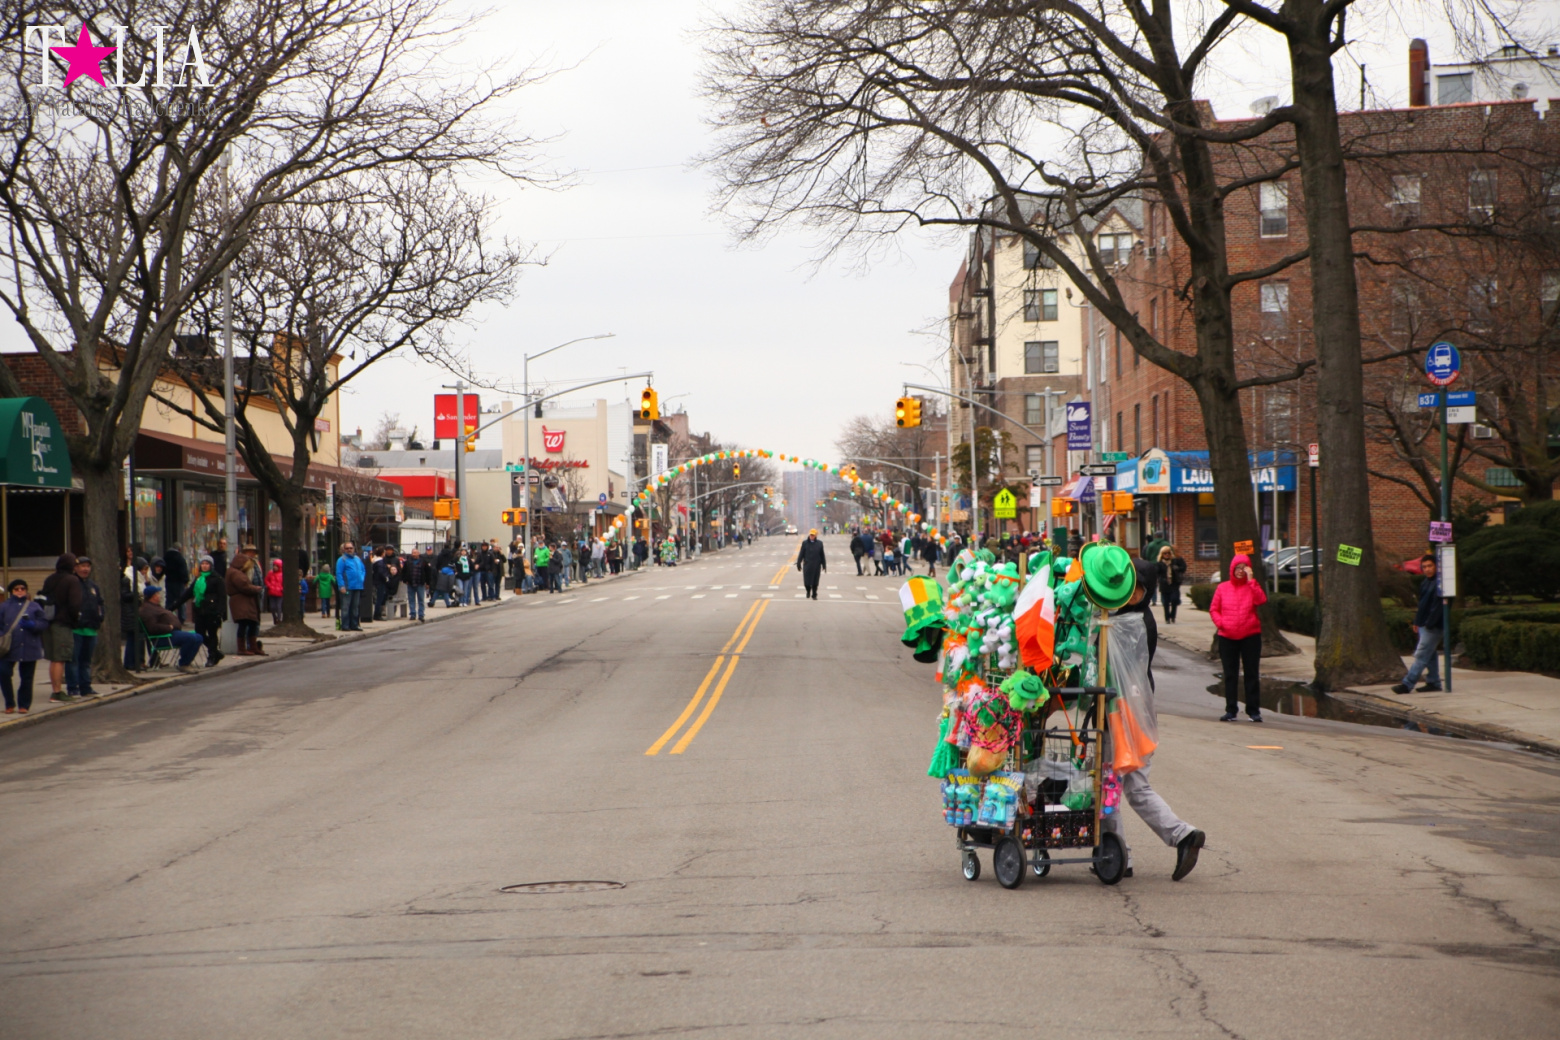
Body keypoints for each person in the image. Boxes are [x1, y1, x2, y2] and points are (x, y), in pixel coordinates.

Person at [1095, 552, 1206, 881]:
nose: (1125, 594)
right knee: (1134, 787)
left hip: (1123, 715)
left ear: (1144, 591)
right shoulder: (1131, 617)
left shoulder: (1133, 624)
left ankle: (1117, 857)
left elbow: (1110, 665)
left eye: (1133, 589)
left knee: (1109, 785)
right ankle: (1182, 835)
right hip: (1135, 712)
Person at [1210, 552, 1267, 722]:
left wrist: (1251, 580)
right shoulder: (1222, 588)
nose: (1240, 571)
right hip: (1227, 637)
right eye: (1238, 568)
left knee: (1251, 674)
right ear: (1232, 569)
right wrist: (1222, 623)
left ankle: (1253, 710)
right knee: (1230, 674)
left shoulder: (1252, 587)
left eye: (1244, 568)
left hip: (1250, 636)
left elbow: (1261, 600)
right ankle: (1231, 709)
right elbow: (1214, 609)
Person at [1393, 554, 1445, 695]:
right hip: (1424, 624)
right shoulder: (1425, 583)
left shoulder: (1440, 584)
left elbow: (1438, 607)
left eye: (1430, 566)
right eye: (1425, 567)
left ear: (1436, 566)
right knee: (1430, 654)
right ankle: (1434, 682)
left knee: (1421, 655)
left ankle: (1407, 684)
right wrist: (1417, 622)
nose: (1427, 569)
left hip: (1434, 625)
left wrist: (1429, 623)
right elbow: (1422, 606)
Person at [0, 579, 47, 714]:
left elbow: (44, 623)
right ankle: (9, 703)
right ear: (11, 592)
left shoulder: (34, 606)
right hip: (8, 647)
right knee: (4, 673)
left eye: (23, 588)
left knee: (27, 677)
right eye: (16, 589)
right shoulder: (4, 607)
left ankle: (24, 705)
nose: (20, 591)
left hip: (29, 646)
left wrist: (33, 625)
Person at [40, 553, 81, 702]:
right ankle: (57, 692)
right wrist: (75, 619)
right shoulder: (72, 580)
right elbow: (75, 604)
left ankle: (55, 689)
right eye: (75, 565)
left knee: (53, 658)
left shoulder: (50, 579)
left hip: (48, 622)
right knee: (60, 658)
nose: (76, 568)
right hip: (62, 623)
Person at [139, 585, 206, 673]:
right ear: (153, 596)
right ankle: (184, 664)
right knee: (190, 638)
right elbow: (152, 627)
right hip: (164, 637)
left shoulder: (156, 606)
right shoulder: (147, 609)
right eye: (157, 594)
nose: (159, 595)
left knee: (198, 637)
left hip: (172, 633)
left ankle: (188, 661)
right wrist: (168, 627)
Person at [68, 556, 105, 699]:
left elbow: (100, 603)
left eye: (87, 566)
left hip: (91, 628)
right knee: (73, 660)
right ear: (76, 568)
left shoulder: (92, 586)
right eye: (82, 566)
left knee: (86, 661)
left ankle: (86, 687)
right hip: (76, 628)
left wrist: (100, 616)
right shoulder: (72, 583)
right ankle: (73, 688)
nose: (85, 569)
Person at [185, 555, 225, 666]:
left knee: (212, 635)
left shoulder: (217, 579)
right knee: (200, 634)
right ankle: (216, 652)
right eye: (203, 564)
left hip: (212, 612)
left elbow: (222, 597)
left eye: (207, 564)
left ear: (211, 565)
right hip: (200, 611)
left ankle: (212, 656)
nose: (204, 566)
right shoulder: (198, 579)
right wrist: (173, 606)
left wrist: (221, 612)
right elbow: (188, 593)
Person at [226, 548, 266, 654]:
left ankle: (252, 646)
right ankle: (243, 648)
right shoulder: (236, 573)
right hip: (242, 603)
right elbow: (244, 586)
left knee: (252, 623)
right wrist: (256, 589)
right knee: (244, 625)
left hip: (245, 603)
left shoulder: (235, 572)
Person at [335, 542, 365, 631]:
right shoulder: (342, 560)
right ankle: (345, 625)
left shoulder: (357, 559)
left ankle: (354, 625)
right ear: (344, 549)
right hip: (347, 587)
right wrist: (341, 586)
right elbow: (339, 574)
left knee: (355, 607)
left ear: (353, 549)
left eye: (351, 548)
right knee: (346, 607)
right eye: (347, 548)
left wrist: (362, 578)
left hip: (358, 586)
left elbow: (363, 570)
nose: (349, 550)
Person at [1156, 545, 1187, 624]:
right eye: (1165, 553)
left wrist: (1177, 567)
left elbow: (1183, 567)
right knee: (1165, 603)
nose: (1167, 555)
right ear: (1162, 555)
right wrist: (1161, 580)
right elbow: (1157, 573)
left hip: (1174, 584)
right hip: (1164, 585)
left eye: (1168, 553)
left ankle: (1173, 616)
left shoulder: (1174, 561)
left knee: (1174, 600)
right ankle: (1167, 618)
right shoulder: (1159, 564)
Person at [796, 529, 827, 599]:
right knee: (807, 581)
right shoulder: (805, 543)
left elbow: (822, 555)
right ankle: (808, 590)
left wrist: (824, 564)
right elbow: (801, 553)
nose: (811, 536)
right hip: (807, 565)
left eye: (813, 535)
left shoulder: (819, 543)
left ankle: (814, 594)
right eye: (810, 534)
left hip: (816, 565)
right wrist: (799, 562)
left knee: (815, 581)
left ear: (815, 535)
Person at [163, 543, 190, 622]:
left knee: (169, 600)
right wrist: (185, 580)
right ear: (179, 549)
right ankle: (181, 618)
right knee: (181, 600)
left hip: (168, 581)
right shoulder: (179, 558)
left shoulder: (166, 557)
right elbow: (183, 571)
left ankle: (168, 615)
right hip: (178, 582)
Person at [404, 548, 427, 622]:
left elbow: (428, 572)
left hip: (420, 583)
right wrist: (405, 580)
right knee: (411, 600)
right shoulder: (408, 562)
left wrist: (428, 582)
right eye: (413, 553)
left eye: (416, 553)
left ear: (418, 553)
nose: (414, 554)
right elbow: (404, 571)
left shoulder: (423, 562)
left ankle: (421, 615)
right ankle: (412, 614)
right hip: (410, 583)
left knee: (421, 600)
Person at [264, 558, 286, 625]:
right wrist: (270, 586)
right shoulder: (270, 573)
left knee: (278, 606)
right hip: (272, 592)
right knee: (272, 607)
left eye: (276, 566)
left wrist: (282, 588)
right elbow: (266, 580)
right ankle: (274, 617)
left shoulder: (282, 574)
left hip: (279, 593)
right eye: (274, 565)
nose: (274, 567)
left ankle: (279, 619)